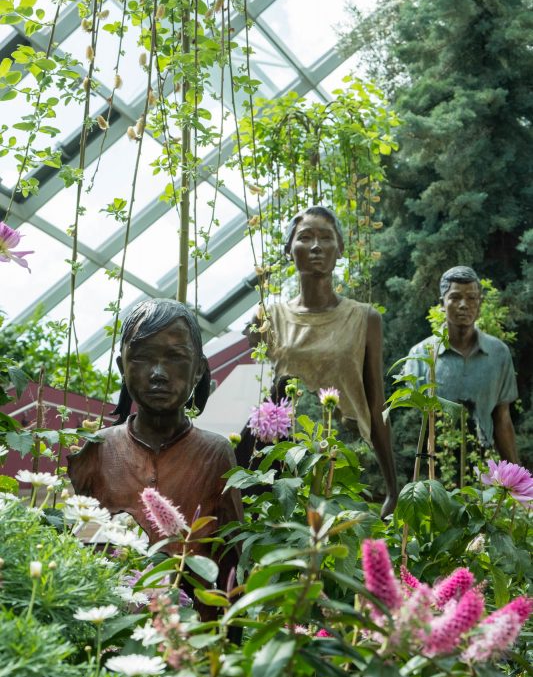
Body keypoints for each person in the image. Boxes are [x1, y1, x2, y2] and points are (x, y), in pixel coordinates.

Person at [68, 299, 243, 601]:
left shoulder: (216, 454)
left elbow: (232, 560)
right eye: (143, 358)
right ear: (122, 366)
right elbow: (80, 552)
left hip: (195, 630)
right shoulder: (96, 450)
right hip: (113, 624)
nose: (158, 373)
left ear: (198, 369)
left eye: (175, 357)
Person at [243, 205, 398, 517]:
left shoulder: (364, 318)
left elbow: (375, 401)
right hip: (283, 463)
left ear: (339, 249)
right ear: (289, 250)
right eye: (305, 237)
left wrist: (393, 487)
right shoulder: (267, 318)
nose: (316, 246)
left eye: (326, 238)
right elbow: (254, 395)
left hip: (346, 459)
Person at [404, 266, 518, 462]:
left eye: (472, 298)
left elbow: (502, 419)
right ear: (442, 303)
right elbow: (414, 425)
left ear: (480, 304)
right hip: (435, 466)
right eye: (455, 297)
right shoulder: (420, 356)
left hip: (482, 463)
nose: (464, 305)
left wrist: (519, 478)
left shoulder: (499, 353)